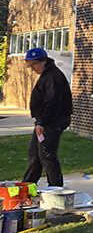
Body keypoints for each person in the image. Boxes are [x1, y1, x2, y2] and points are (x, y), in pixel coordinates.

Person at [21, 47, 73, 187]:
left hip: (52, 120)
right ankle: (27, 186)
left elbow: (52, 102)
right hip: (45, 120)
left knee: (47, 155)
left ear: (43, 61)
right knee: (34, 154)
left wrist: (42, 122)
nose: (32, 68)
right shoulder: (47, 75)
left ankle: (56, 189)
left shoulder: (53, 77)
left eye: (33, 64)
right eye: (29, 65)